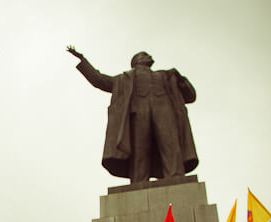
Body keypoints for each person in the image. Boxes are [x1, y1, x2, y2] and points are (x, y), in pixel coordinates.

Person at [66, 46, 198, 183]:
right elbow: (99, 80)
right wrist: (82, 60)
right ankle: (139, 180)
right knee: (139, 149)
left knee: (170, 143)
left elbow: (190, 97)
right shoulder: (125, 79)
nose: (149, 56)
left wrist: (181, 80)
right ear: (136, 61)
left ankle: (175, 176)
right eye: (144, 55)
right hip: (138, 113)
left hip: (164, 111)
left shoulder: (166, 76)